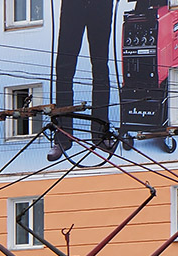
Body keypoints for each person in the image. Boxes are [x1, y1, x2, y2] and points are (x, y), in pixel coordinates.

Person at [47, 0, 116, 161]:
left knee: (100, 67)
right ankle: (63, 137)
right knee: (64, 69)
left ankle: (100, 134)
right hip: (73, 5)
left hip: (101, 5)